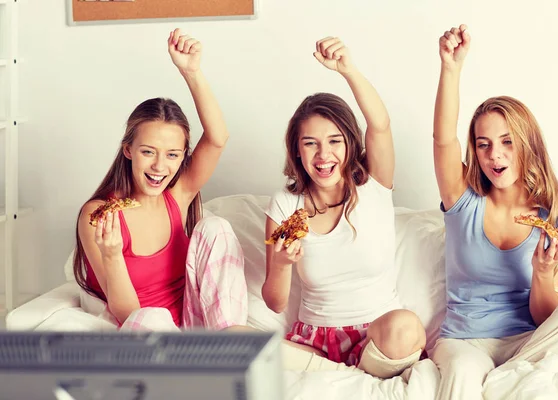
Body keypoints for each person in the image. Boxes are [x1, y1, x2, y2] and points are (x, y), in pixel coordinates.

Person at [430, 24, 558, 399]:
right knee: (461, 371)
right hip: (466, 341)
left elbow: (544, 317)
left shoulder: (557, 219)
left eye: (507, 142)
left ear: (526, 145)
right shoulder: (462, 201)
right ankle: (514, 380)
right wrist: (451, 69)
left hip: (528, 342)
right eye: (483, 144)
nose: (495, 155)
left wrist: (543, 274)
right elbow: (443, 139)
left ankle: (514, 375)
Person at [262, 36, 426, 379]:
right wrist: (279, 263)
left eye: (334, 141)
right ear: (297, 151)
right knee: (235, 341)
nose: (324, 156)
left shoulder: (374, 185)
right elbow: (275, 302)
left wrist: (348, 70)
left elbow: (380, 125)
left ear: (351, 143)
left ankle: (345, 374)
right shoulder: (284, 204)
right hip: (314, 342)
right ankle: (344, 377)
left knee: (407, 327)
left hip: (379, 338)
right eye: (311, 144)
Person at [73, 28, 247, 331]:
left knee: (215, 226)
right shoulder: (99, 215)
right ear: (128, 150)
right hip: (148, 332)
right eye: (148, 152)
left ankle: (228, 339)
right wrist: (112, 254)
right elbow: (128, 314)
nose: (159, 166)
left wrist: (191, 72)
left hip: (196, 327)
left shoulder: (177, 196)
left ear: (182, 157)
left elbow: (218, 138)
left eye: (172, 155)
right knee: (152, 317)